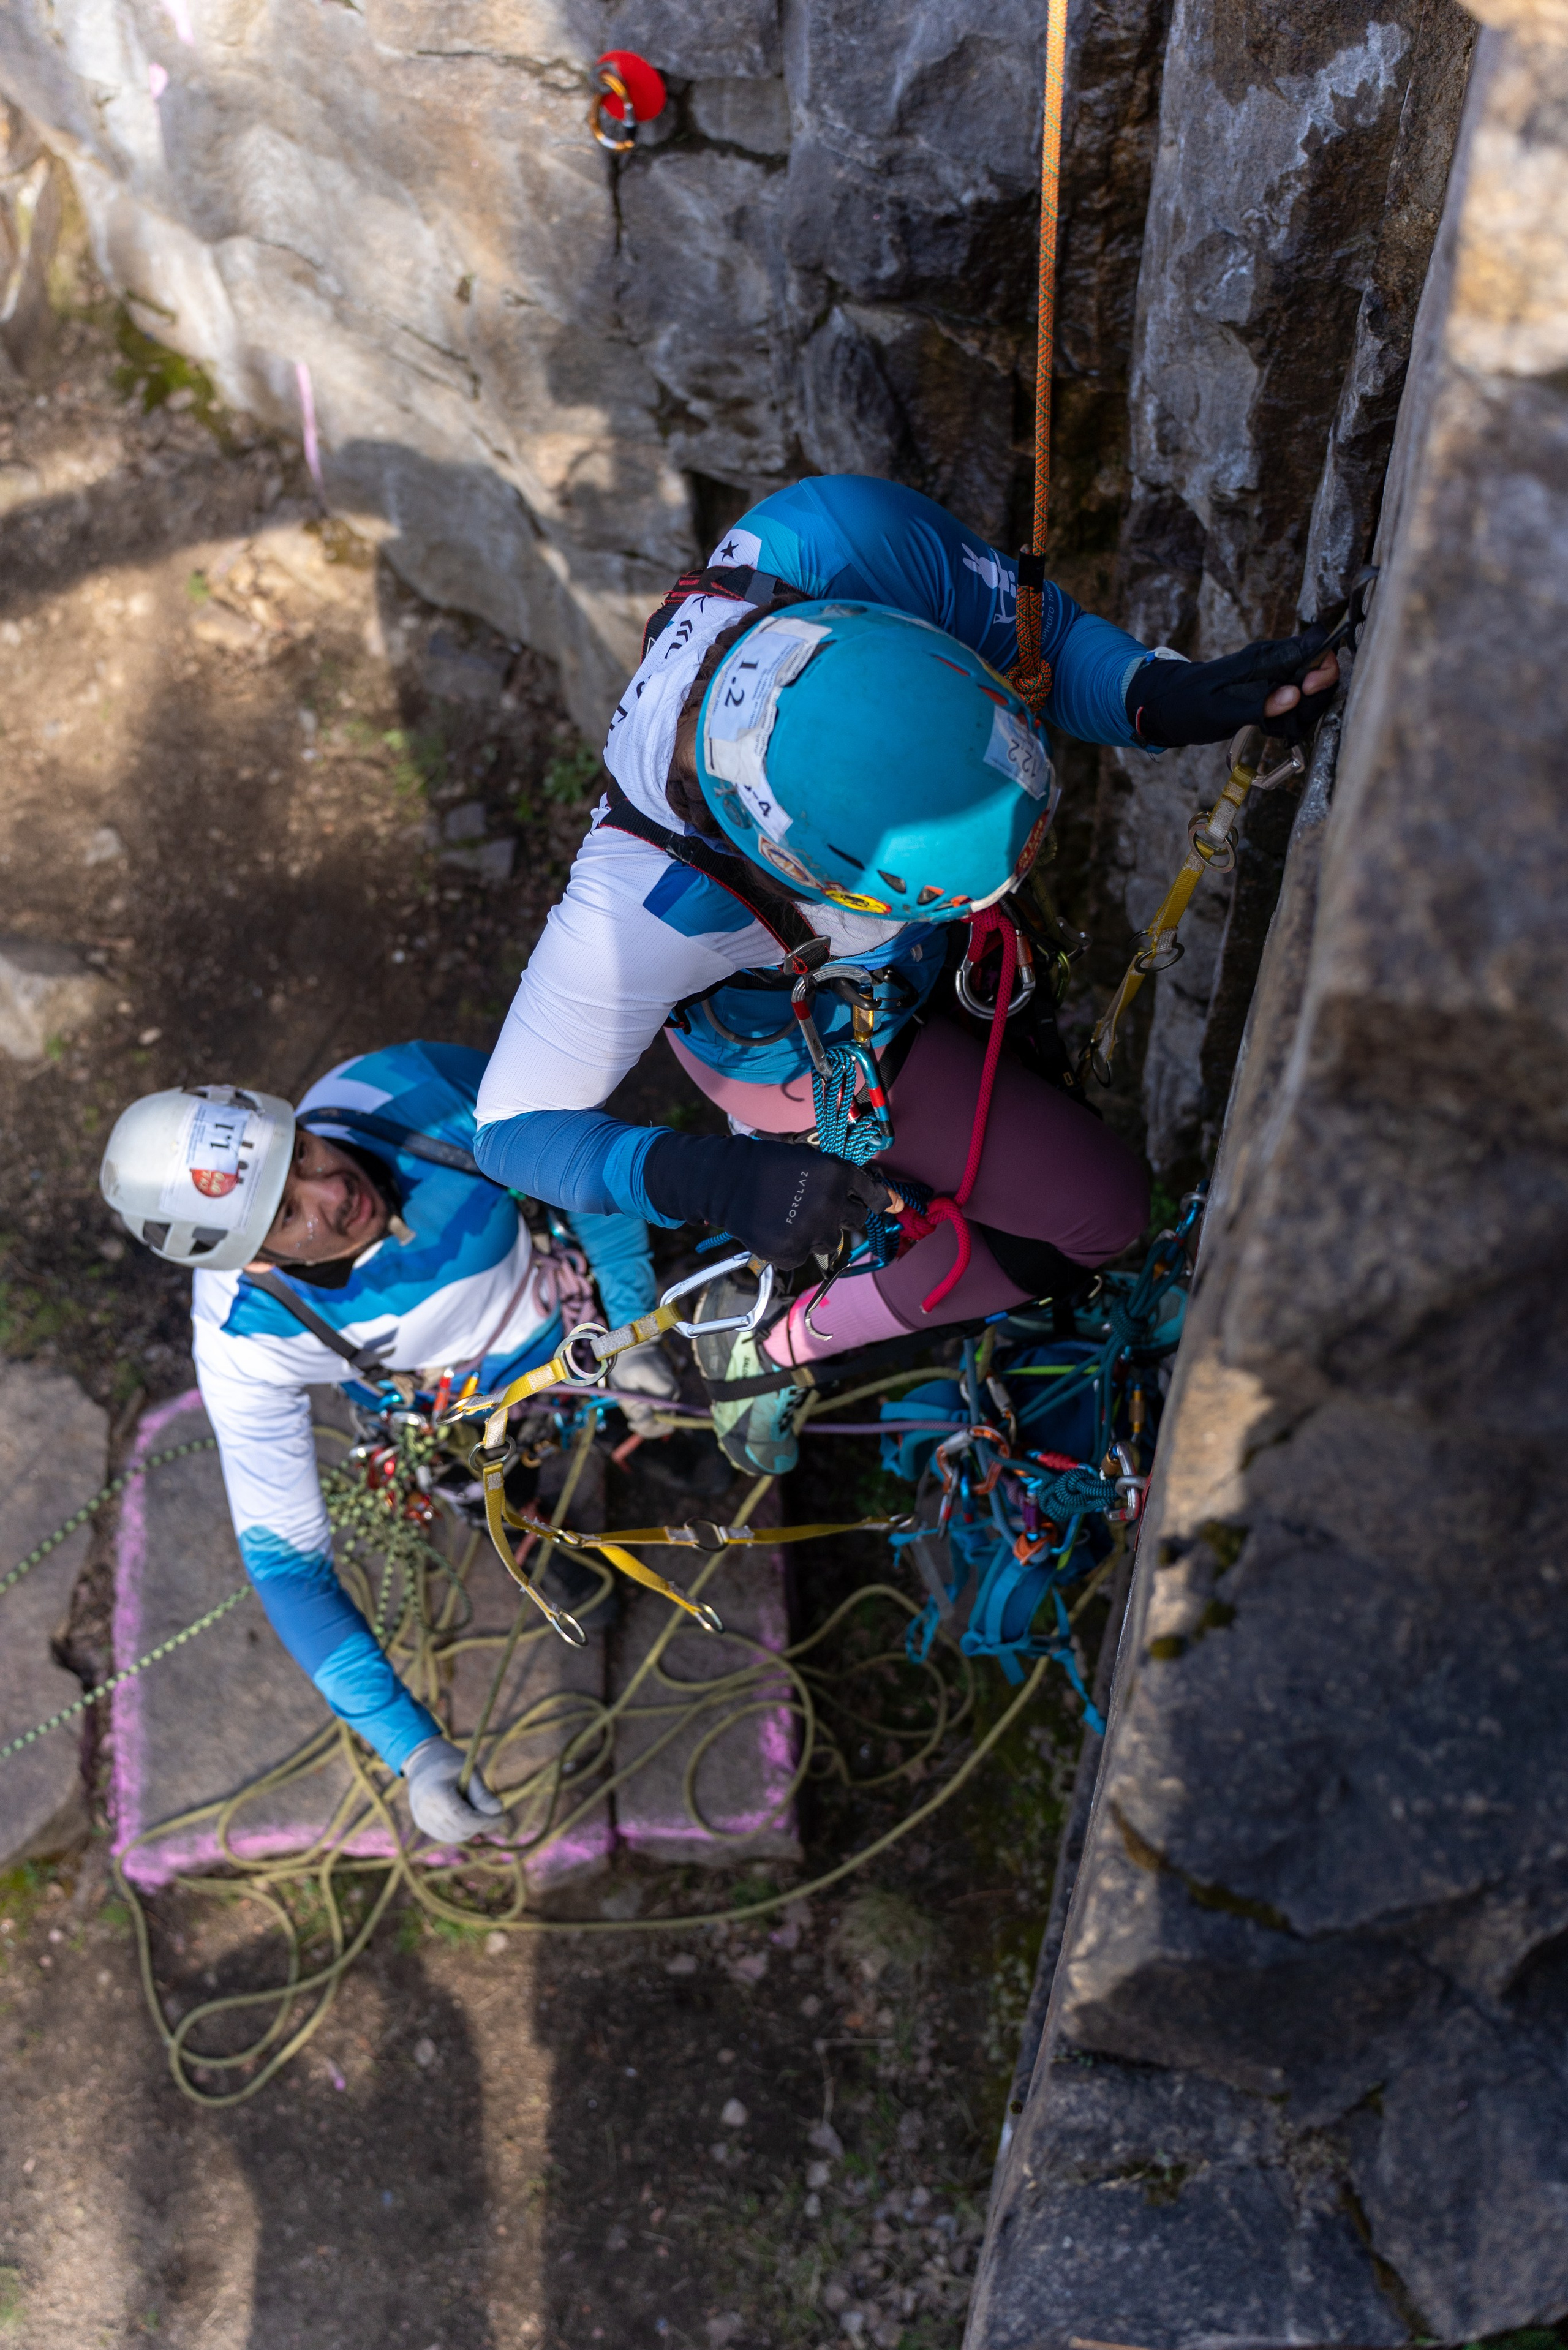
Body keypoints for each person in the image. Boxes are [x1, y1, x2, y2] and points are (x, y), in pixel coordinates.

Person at [470, 475, 1340, 1474]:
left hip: (903, 958)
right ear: (787, 859)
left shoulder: (834, 538)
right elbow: (507, 1131)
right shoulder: (639, 910)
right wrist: (707, 1174)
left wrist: (1155, 694)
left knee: (1025, 1120)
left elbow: (1038, 637)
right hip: (822, 1051)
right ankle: (776, 1338)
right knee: (1096, 1215)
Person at [99, 1039, 676, 1844]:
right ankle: (546, 1546)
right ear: (254, 1262)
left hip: (576, 1306)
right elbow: (287, 1565)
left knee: (665, 1411)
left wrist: (633, 1318)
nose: (333, 1189)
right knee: (505, 1500)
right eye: (288, 1215)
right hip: (461, 1411)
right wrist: (414, 1750)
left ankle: (660, 1440)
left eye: (298, 1152)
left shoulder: (411, 1089)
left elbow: (580, 1163)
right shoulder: (245, 1340)